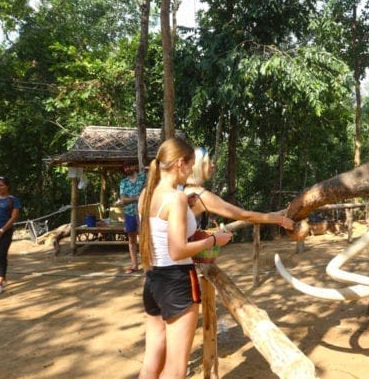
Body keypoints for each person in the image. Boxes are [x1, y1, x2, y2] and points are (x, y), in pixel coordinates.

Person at [137, 138, 232, 379]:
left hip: (153, 280)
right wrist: (214, 240)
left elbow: (160, 237)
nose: (192, 171)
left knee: (151, 363)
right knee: (176, 368)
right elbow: (178, 250)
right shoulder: (176, 198)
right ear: (180, 163)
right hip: (178, 282)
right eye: (190, 165)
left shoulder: (146, 195)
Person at [184, 147, 295, 232]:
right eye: (208, 162)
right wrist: (281, 220)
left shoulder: (185, 190)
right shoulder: (201, 195)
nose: (213, 165)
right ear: (199, 167)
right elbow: (245, 215)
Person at [0, 176, 21, 295]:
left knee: (0, 256)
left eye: (1, 185)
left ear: (7, 186)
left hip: (5, 232)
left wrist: (1, 230)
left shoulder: (13, 200)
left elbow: (13, 217)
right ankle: (2, 276)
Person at [120, 160, 147, 274]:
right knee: (131, 239)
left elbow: (148, 192)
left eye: (129, 166)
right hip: (129, 213)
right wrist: (136, 198)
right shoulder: (123, 182)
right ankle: (134, 265)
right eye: (125, 168)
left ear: (134, 166)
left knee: (144, 239)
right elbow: (123, 200)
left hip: (144, 213)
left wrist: (139, 198)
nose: (127, 169)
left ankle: (146, 265)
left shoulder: (143, 177)